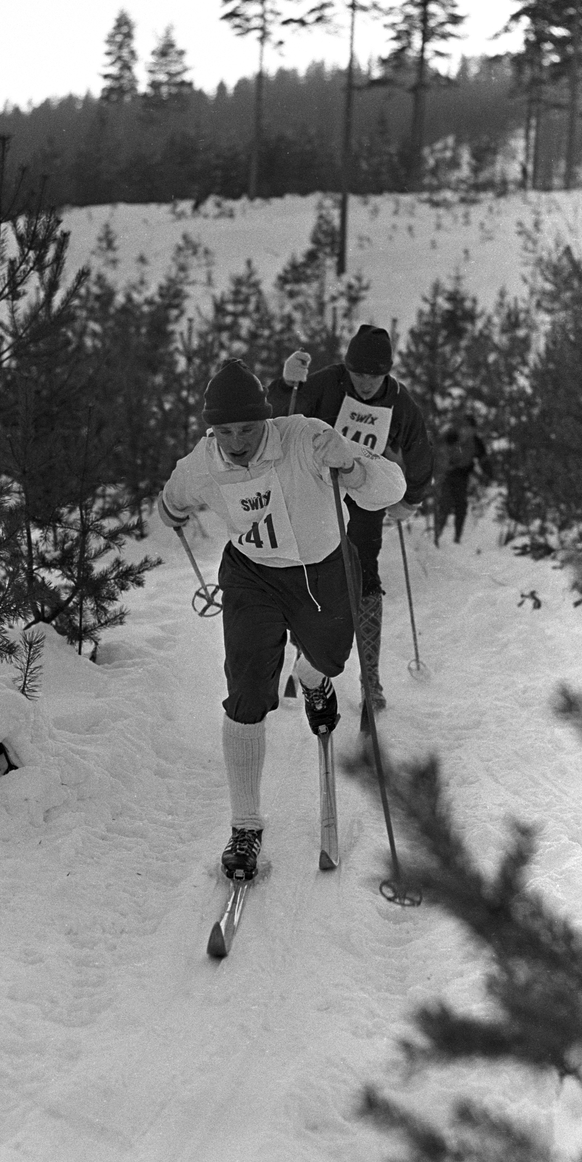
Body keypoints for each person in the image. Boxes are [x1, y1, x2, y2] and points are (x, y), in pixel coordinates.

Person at [158, 357, 405, 880]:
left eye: (246, 428)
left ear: (264, 420)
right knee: (245, 688)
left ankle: (314, 679)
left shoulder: (307, 438)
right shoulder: (203, 461)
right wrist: (171, 512)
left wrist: (353, 464)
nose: (237, 440)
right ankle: (244, 826)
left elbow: (391, 489)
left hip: (324, 571)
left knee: (327, 660)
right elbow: (172, 499)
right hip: (253, 577)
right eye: (225, 430)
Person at [267, 325, 434, 712]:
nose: (365, 383)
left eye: (373, 376)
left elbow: (419, 448)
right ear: (347, 368)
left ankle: (370, 677)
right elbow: (281, 417)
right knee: (310, 571)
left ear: (386, 373)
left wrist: (410, 498)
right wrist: (284, 384)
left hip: (363, 496)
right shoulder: (326, 383)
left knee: (365, 578)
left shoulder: (399, 402)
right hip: (315, 492)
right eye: (357, 374)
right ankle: (303, 652)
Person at [434, 414, 493, 545]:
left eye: (470, 428)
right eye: (465, 427)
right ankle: (437, 535)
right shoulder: (453, 436)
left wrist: (488, 474)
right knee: (445, 505)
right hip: (448, 475)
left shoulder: (476, 442)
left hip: (462, 477)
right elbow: (441, 449)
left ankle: (457, 537)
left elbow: (483, 459)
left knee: (461, 507)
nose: (467, 430)